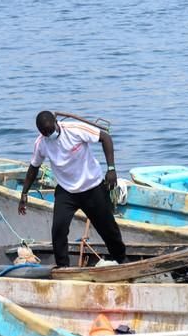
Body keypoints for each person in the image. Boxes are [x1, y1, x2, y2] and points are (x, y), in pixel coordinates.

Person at [17, 110, 126, 267]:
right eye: (45, 132)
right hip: (66, 191)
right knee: (58, 230)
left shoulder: (75, 129)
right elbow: (34, 167)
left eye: (51, 130)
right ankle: (63, 267)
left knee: (108, 229)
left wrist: (111, 168)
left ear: (56, 122)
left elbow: (105, 138)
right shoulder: (41, 143)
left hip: (92, 187)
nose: (49, 134)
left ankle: (121, 261)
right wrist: (24, 194)